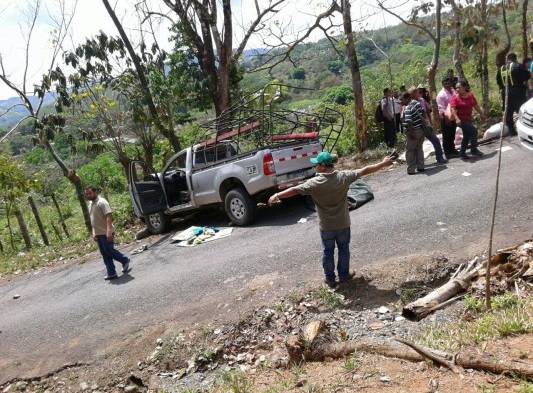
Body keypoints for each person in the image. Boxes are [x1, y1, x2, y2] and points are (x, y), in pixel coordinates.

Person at [267, 151, 394, 288]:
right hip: (343, 223)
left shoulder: (315, 183)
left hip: (326, 226)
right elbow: (364, 170)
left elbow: (295, 190)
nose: (315, 167)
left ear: (322, 166)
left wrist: (277, 195)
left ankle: (330, 279)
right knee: (344, 249)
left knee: (328, 251)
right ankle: (344, 276)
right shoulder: (343, 177)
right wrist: (383, 163)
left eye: (316, 164)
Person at [85, 186, 131, 280]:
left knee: (109, 251)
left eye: (90, 193)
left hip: (106, 232)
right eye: (87, 194)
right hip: (98, 234)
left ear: (95, 192)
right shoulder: (90, 204)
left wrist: (109, 231)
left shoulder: (102, 202)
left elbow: (109, 216)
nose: (88, 195)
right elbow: (93, 220)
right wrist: (94, 232)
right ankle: (111, 273)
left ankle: (124, 259)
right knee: (104, 254)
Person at [409, 86, 447, 164]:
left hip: (425, 125)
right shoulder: (409, 104)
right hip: (417, 127)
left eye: (418, 92)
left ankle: (439, 158)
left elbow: (427, 112)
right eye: (416, 92)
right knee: (417, 146)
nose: (418, 94)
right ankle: (417, 163)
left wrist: (429, 123)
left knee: (435, 140)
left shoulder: (422, 100)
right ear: (412, 94)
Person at [496, 52, 530, 135]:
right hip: (518, 92)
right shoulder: (517, 66)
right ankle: (526, 128)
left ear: (507, 59)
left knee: (508, 112)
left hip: (505, 93)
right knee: (521, 110)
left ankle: (512, 131)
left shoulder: (501, 69)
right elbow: (527, 76)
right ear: (515, 58)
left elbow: (498, 81)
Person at [450, 80, 485, 159]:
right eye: (456, 88)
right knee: (474, 131)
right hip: (461, 120)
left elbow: (475, 105)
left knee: (467, 135)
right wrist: (457, 119)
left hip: (468, 118)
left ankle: (462, 153)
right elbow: (453, 109)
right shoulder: (455, 97)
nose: (457, 89)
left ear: (465, 87)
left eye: (459, 87)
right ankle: (474, 150)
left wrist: (481, 113)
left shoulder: (470, 95)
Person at [400, 91, 426, 174]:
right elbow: (423, 112)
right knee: (419, 149)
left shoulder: (408, 108)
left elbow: (409, 122)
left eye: (402, 99)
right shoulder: (417, 103)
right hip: (421, 130)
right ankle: (421, 166)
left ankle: (411, 169)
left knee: (410, 151)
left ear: (407, 98)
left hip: (414, 131)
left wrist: (411, 133)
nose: (401, 101)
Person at [437, 77, 460, 158]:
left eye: (449, 83)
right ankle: (448, 153)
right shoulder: (441, 94)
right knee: (447, 135)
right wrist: (446, 119)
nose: (447, 84)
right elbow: (441, 109)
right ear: (443, 84)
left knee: (452, 133)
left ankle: (452, 149)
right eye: (445, 83)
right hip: (445, 117)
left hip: (453, 115)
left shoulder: (452, 91)